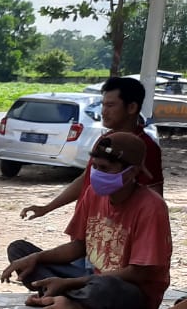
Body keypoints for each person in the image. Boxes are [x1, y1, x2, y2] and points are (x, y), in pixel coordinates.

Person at [1, 132, 170, 309]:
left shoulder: (151, 207)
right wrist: (36, 257)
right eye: (95, 167)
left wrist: (70, 283)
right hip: (89, 279)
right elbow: (79, 246)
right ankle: (62, 296)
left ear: (131, 172)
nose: (97, 174)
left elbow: (139, 273)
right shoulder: (93, 193)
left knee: (105, 288)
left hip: (129, 291)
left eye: (105, 168)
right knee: (20, 252)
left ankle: (74, 303)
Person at [20, 76, 163, 221]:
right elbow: (85, 179)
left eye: (110, 105)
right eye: (103, 105)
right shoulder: (105, 140)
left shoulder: (145, 148)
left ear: (132, 107)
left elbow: (154, 197)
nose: (103, 112)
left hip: (116, 230)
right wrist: (47, 208)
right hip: (90, 223)